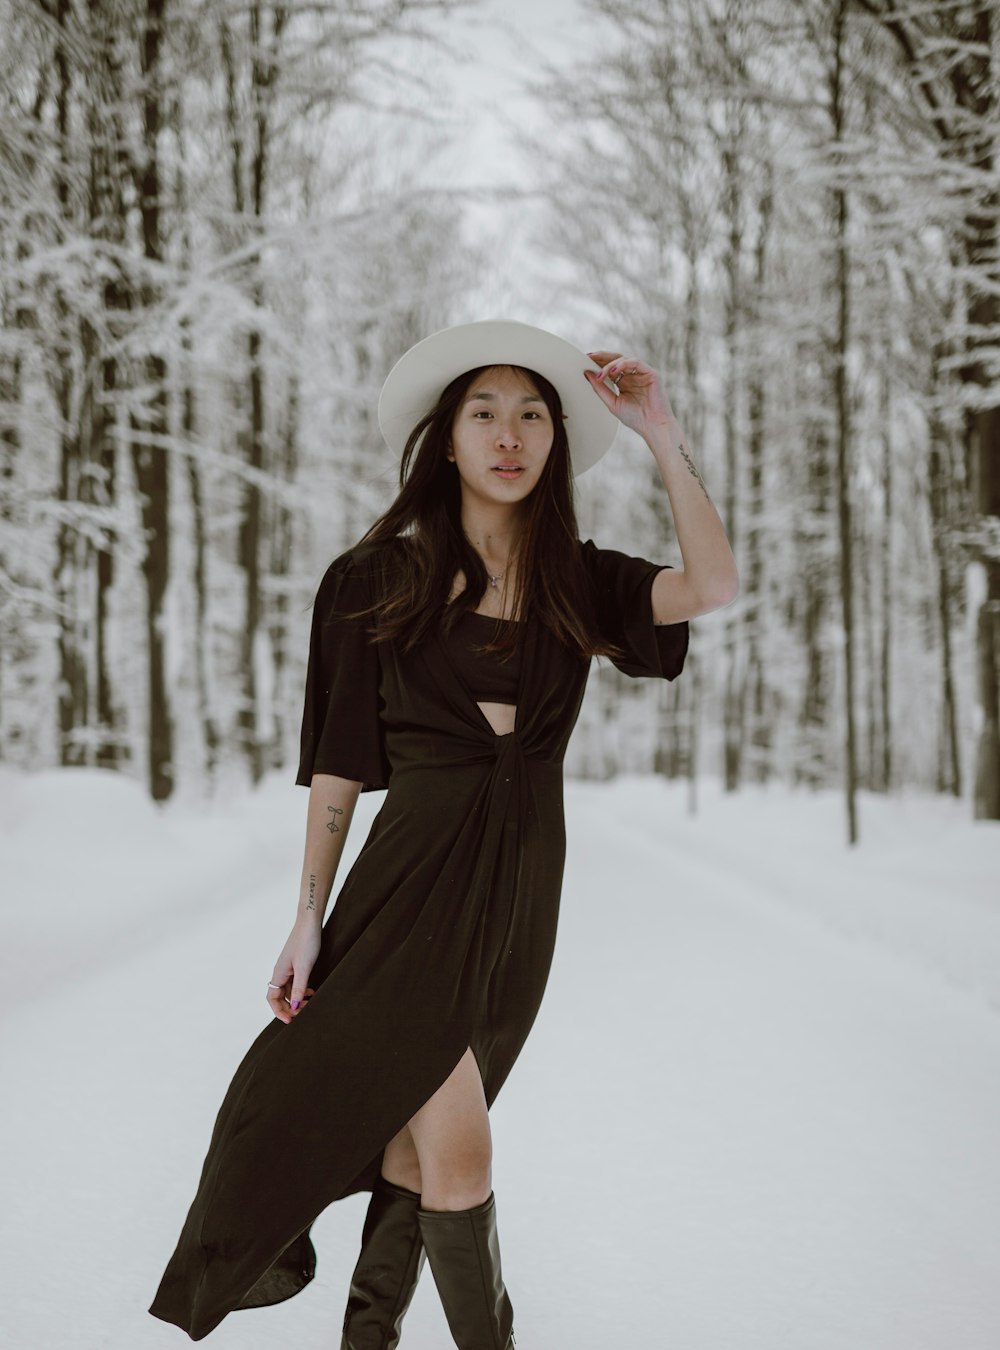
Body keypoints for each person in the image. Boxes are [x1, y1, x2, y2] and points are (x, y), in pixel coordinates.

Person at [148, 319, 738, 1346]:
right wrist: (306, 917)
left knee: (421, 1158)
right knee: (458, 1152)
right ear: (448, 437)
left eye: (531, 417)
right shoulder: (372, 582)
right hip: (405, 898)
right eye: (484, 414)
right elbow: (337, 768)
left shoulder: (580, 582)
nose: (508, 436)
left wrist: (659, 427)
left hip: (515, 907)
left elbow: (714, 586)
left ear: (554, 442)